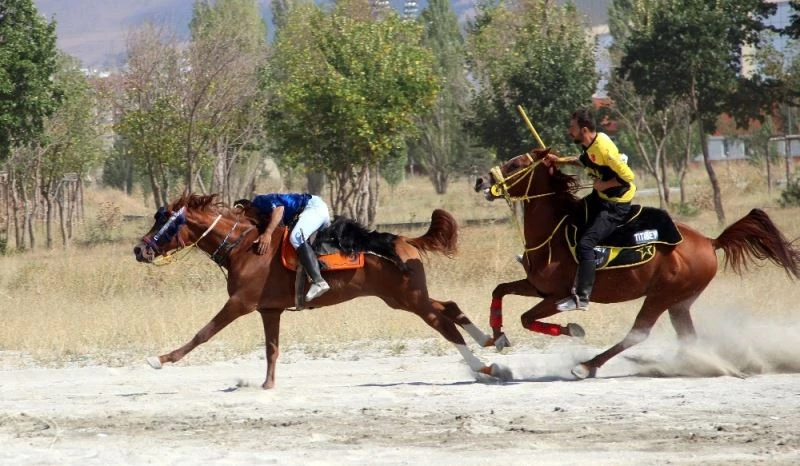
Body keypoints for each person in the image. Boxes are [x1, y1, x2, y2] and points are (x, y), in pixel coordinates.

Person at [542, 108, 636, 312]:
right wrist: (559, 160)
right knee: (569, 216)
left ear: (584, 129)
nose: (569, 131)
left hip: (615, 204)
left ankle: (582, 298)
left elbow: (628, 176)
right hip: (600, 198)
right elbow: (582, 160)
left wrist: (604, 185)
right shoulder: (590, 145)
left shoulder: (604, 149)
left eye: (572, 127)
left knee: (585, 244)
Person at [250, 192, 331, 301]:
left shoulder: (259, 200)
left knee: (296, 238)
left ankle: (319, 282)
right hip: (314, 209)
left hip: (313, 207)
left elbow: (279, 209)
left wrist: (267, 233)